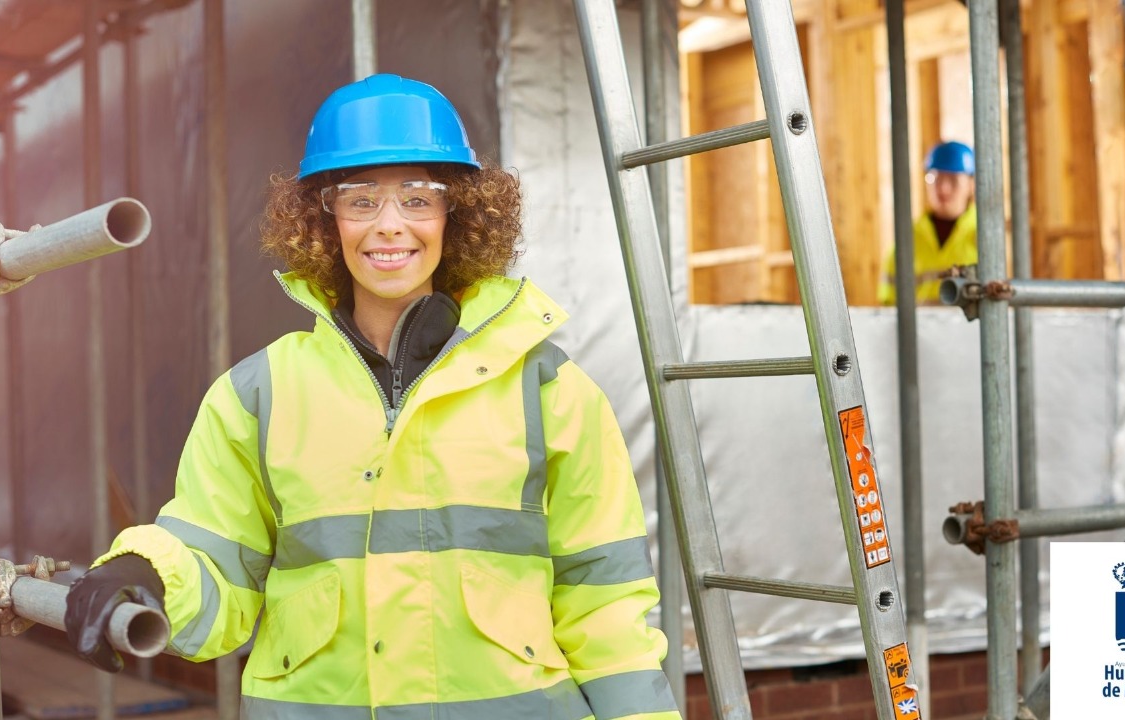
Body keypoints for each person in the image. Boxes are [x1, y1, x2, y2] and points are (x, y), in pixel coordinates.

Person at [64, 73, 680, 720]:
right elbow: (214, 555)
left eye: (419, 198)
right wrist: (148, 570)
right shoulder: (256, 395)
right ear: (324, 219)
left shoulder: (550, 391)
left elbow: (606, 604)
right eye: (360, 200)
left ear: (457, 214)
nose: (390, 226)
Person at [877, 140, 978, 305]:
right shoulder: (908, 239)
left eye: (953, 180)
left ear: (971, 184)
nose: (943, 188)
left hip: (970, 331)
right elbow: (888, 301)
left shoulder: (983, 236)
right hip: (918, 331)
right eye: (935, 178)